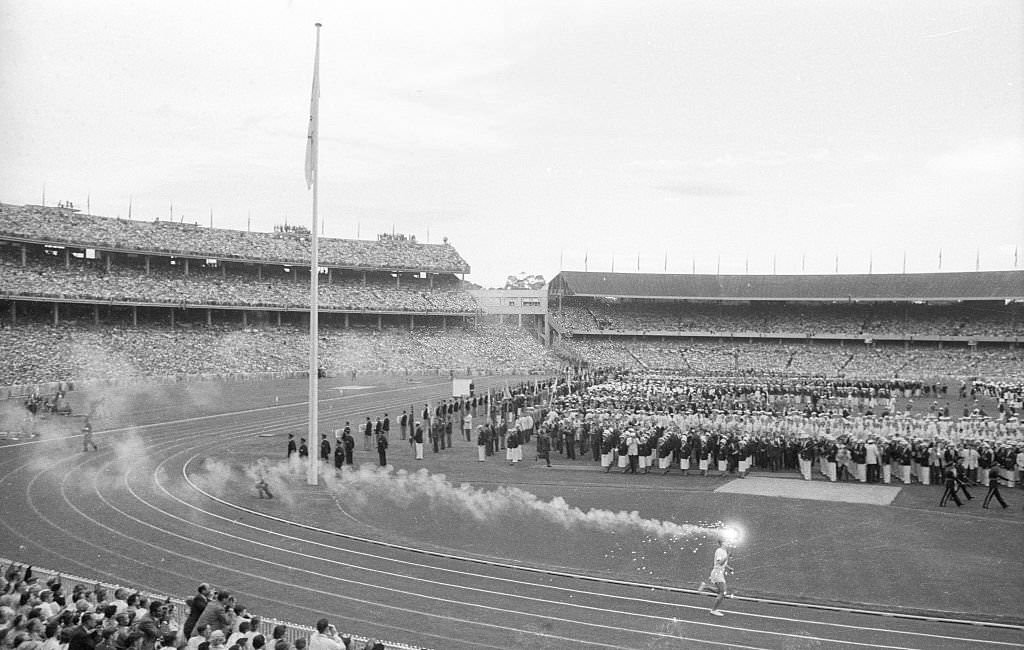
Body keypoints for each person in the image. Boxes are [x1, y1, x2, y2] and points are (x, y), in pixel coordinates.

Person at [697, 538, 731, 616]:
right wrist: (727, 556)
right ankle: (713, 610)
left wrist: (729, 568)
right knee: (723, 592)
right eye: (727, 542)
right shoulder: (719, 551)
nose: (728, 543)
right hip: (717, 573)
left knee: (721, 592)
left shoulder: (724, 551)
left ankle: (705, 587)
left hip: (719, 573)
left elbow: (723, 563)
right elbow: (719, 563)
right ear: (722, 543)